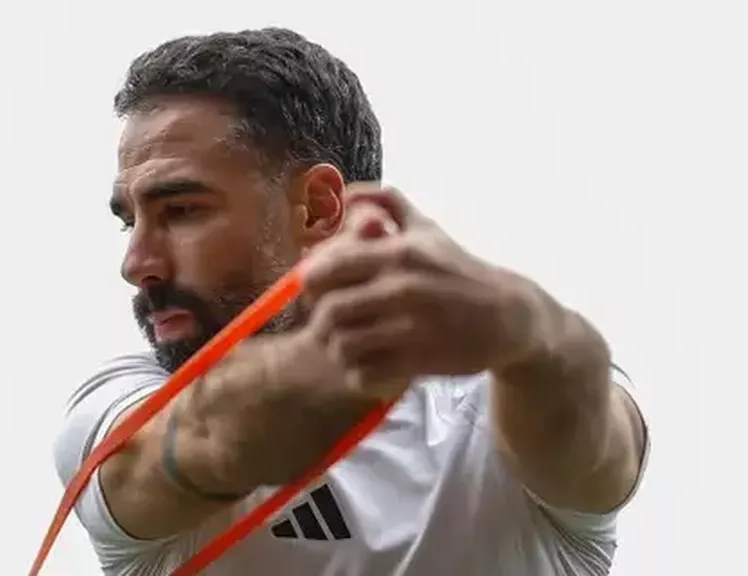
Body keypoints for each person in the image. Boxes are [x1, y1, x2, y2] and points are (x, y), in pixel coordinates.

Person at [53, 27, 649, 575]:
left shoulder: (502, 396)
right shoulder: (120, 405)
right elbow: (204, 444)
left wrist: (522, 324)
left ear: (318, 208)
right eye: (129, 221)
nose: (136, 263)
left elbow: (591, 432)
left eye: (182, 211)